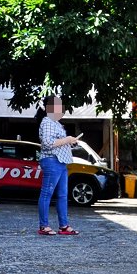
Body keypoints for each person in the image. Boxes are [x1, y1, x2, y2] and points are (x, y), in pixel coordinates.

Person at [37, 95, 80, 236]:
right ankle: (44, 226)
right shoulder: (47, 121)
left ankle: (64, 225)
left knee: (62, 195)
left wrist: (70, 141)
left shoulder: (56, 123)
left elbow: (57, 142)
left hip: (60, 161)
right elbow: (48, 143)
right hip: (52, 160)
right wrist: (67, 139)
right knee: (47, 193)